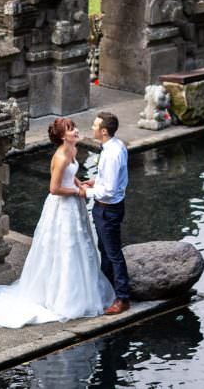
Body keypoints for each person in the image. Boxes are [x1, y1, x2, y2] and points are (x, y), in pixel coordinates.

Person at [0, 118, 114, 328]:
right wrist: (78, 191)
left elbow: (70, 175)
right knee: (63, 247)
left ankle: (79, 290)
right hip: (63, 206)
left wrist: (79, 182)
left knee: (78, 246)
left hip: (74, 205)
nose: (76, 131)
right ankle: (61, 297)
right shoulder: (60, 157)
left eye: (75, 127)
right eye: (70, 129)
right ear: (61, 136)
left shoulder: (72, 151)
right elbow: (54, 188)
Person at [79, 111, 131, 314]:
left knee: (113, 253)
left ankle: (122, 298)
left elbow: (108, 190)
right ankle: (109, 290)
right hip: (111, 207)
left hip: (107, 209)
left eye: (94, 125)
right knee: (106, 251)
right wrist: (96, 181)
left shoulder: (112, 154)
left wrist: (87, 191)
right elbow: (115, 180)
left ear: (103, 131)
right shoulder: (116, 146)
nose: (91, 128)